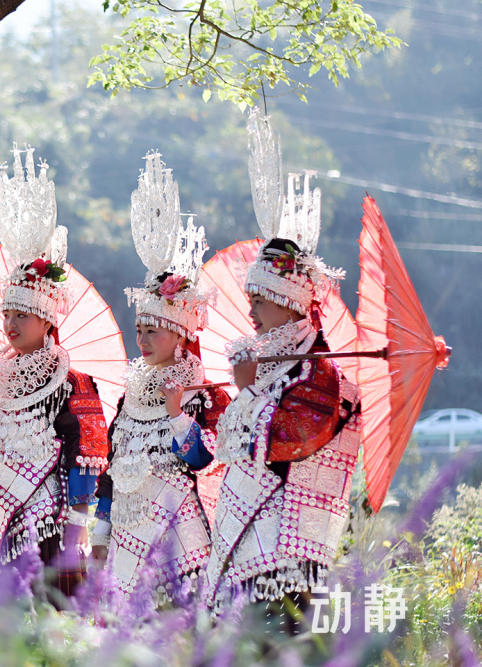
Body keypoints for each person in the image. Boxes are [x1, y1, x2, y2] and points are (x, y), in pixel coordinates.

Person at [203, 113, 361, 630]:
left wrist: (249, 395)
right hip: (246, 534)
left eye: (261, 302)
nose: (251, 312)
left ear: (290, 302)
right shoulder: (268, 359)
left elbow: (293, 440)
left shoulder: (322, 372)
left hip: (286, 547)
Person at [0, 147, 109, 605]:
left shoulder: (71, 382)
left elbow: (89, 452)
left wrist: (80, 523)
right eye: (7, 313)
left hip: (52, 517)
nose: (12, 323)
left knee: (50, 613)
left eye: (23, 313)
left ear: (46, 319)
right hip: (0, 508)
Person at [90, 154, 230, 599]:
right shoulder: (128, 395)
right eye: (139, 330)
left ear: (181, 334)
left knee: (180, 631)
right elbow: (111, 468)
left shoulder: (201, 394)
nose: (143, 339)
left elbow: (202, 461)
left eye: (155, 330)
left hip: (176, 529)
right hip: (128, 529)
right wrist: (100, 529)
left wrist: (175, 413)